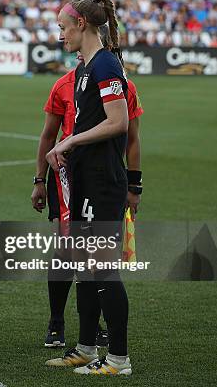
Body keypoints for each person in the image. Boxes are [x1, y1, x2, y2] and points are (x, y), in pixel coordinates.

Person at [32, 29, 143, 349]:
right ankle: (56, 322)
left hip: (101, 178)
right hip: (65, 178)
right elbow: (47, 136)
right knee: (67, 251)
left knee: (95, 259)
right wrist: (39, 180)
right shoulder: (63, 84)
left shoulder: (123, 86)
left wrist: (134, 184)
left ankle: (93, 331)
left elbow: (133, 138)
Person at [44, 0, 133, 375]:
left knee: (103, 270)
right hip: (84, 180)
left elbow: (119, 122)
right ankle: (83, 347)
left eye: (63, 27)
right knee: (84, 266)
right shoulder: (85, 67)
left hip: (103, 183)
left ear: (81, 23)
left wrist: (70, 141)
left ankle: (118, 359)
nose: (59, 34)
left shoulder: (106, 65)